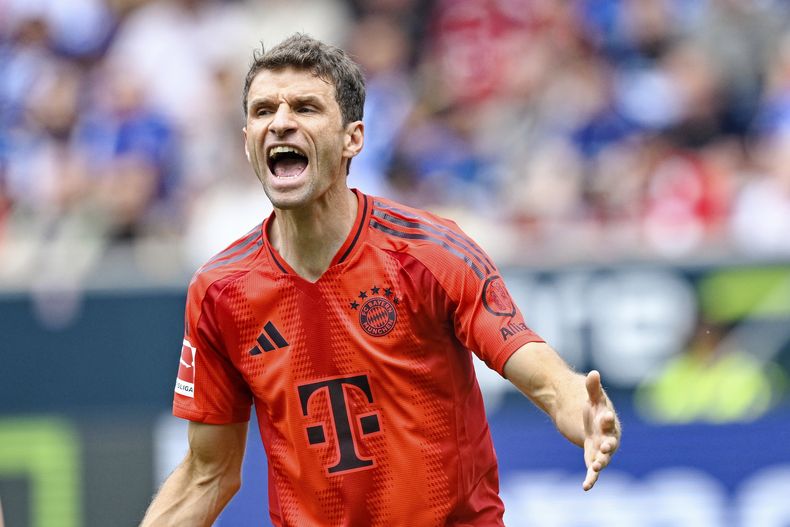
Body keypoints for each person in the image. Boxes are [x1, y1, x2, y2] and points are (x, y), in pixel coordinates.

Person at [140, 33, 621, 526]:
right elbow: (208, 473)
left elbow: (534, 367)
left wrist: (577, 409)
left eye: (305, 108)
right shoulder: (221, 291)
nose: (280, 123)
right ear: (247, 143)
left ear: (353, 138)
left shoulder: (430, 253)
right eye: (263, 112)